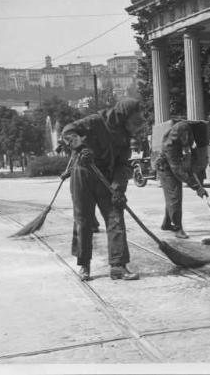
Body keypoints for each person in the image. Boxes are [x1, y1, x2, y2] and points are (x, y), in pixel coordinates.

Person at [61, 98, 145, 281]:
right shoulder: (95, 121)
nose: (133, 128)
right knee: (83, 220)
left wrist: (118, 187)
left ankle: (118, 266)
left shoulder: (125, 136)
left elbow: (123, 164)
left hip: (106, 178)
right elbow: (68, 131)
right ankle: (84, 265)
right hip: (83, 173)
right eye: (132, 122)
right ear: (123, 116)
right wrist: (80, 146)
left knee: (115, 216)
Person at [156, 120, 208, 239]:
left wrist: (199, 181)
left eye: (187, 135)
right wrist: (196, 187)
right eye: (183, 135)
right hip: (166, 169)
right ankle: (178, 227)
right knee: (175, 196)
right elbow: (178, 171)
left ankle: (166, 223)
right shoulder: (170, 146)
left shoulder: (188, 138)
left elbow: (192, 156)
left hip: (176, 166)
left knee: (172, 197)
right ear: (178, 134)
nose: (185, 137)